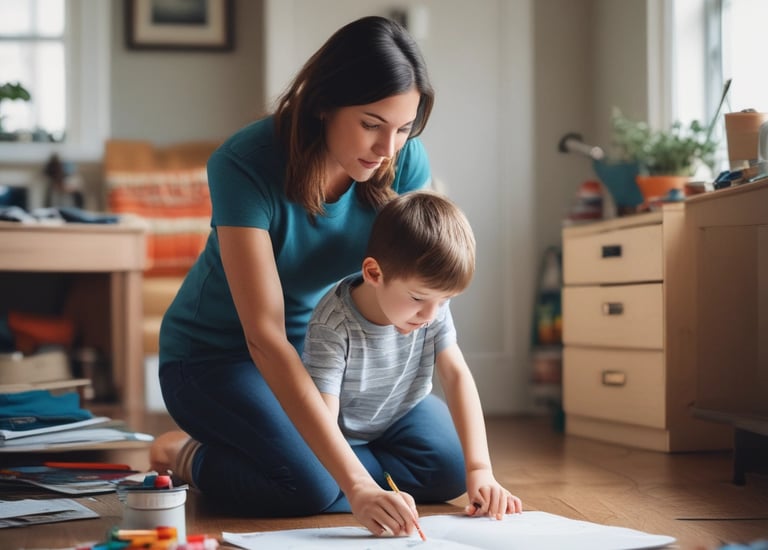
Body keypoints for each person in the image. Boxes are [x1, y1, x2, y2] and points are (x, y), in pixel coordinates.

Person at [150, 15, 440, 537]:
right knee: (309, 486)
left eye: (403, 129)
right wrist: (356, 483)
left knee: (443, 465)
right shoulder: (244, 162)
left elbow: (418, 282)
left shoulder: (402, 161)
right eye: (371, 124)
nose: (388, 149)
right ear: (324, 103)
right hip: (216, 357)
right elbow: (264, 336)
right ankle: (185, 453)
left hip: (327, 355)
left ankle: (316, 458)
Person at [302, 190, 523, 522]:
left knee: (453, 468)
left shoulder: (431, 309)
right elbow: (323, 417)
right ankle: (368, 479)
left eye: (444, 300)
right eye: (418, 298)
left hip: (402, 412)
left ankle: (373, 474)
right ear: (374, 274)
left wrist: (481, 470)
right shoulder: (333, 324)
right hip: (343, 430)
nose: (431, 315)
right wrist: (354, 481)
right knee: (313, 482)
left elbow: (456, 375)